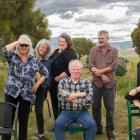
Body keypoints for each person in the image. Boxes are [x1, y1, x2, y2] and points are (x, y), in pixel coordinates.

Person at [2, 34, 49, 140]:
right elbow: (4, 50)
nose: (23, 47)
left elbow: (45, 73)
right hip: (11, 92)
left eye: (26, 45)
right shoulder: (13, 56)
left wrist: (37, 84)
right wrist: (18, 41)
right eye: (21, 45)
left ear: (29, 47)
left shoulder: (34, 60)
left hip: (27, 94)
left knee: (23, 121)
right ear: (18, 46)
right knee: (7, 121)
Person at [55, 60, 96, 140]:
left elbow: (90, 98)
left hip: (82, 112)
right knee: (58, 124)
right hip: (66, 112)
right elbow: (60, 98)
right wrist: (81, 94)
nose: (76, 71)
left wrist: (72, 97)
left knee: (92, 124)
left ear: (81, 70)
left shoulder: (87, 82)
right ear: (70, 70)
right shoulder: (63, 82)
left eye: (78, 69)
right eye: (73, 69)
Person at [89, 30, 118, 140]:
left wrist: (100, 72)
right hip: (96, 83)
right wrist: (102, 76)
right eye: (99, 38)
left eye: (102, 38)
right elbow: (91, 65)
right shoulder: (93, 50)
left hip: (110, 84)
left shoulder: (114, 50)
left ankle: (109, 130)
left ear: (107, 38)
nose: (100, 40)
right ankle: (97, 128)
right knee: (95, 107)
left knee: (109, 108)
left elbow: (113, 66)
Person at [48, 33, 77, 121]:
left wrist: (59, 77)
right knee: (55, 103)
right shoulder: (57, 51)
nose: (61, 43)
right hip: (53, 83)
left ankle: (64, 122)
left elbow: (71, 68)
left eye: (63, 41)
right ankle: (58, 122)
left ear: (68, 42)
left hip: (63, 83)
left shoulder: (70, 53)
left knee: (63, 103)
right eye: (59, 41)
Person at [34, 39, 51, 140]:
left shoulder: (47, 62)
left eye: (46, 48)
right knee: (24, 110)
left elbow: (47, 78)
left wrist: (40, 83)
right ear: (38, 47)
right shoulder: (30, 57)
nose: (43, 49)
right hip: (28, 88)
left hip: (41, 89)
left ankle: (41, 133)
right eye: (42, 47)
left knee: (38, 111)